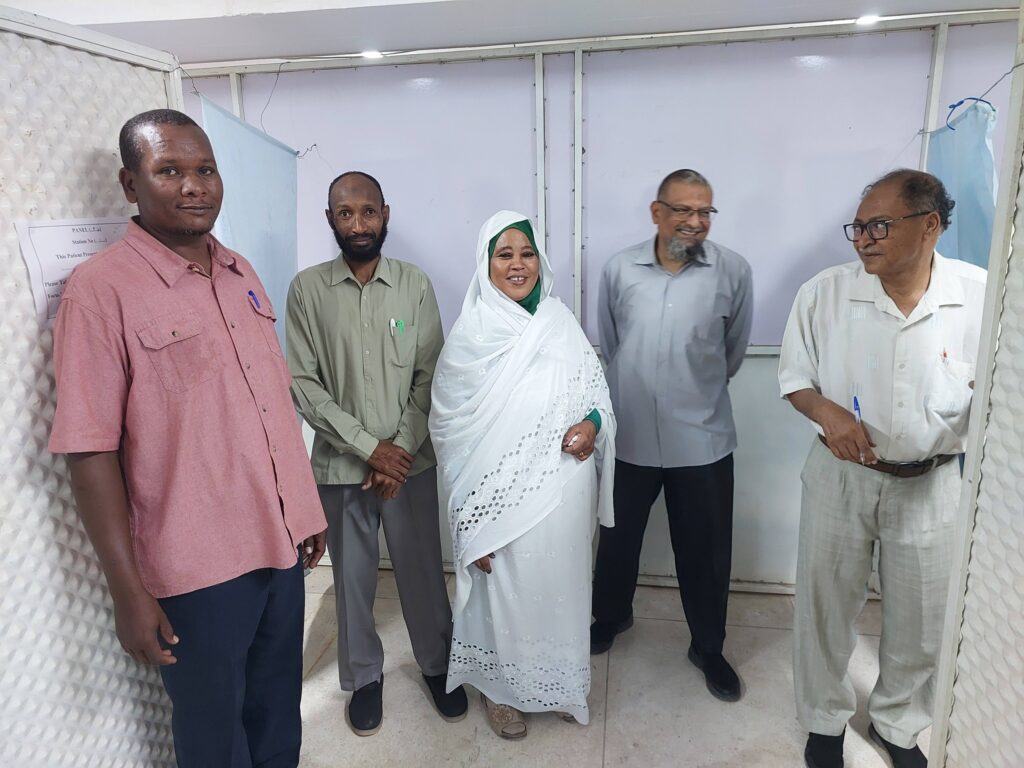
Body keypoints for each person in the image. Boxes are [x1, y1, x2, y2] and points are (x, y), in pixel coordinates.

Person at [48, 109, 327, 767]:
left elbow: (270, 404)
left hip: (280, 544)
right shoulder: (100, 291)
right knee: (213, 734)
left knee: (277, 713)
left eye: (205, 169)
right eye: (169, 170)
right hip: (197, 570)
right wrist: (127, 591)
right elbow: (89, 449)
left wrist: (304, 509)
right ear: (130, 183)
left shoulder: (240, 271)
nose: (194, 185)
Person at [779, 169, 986, 768]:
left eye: (879, 226)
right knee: (825, 607)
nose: (863, 239)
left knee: (921, 618)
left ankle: (898, 723)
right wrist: (827, 412)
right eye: (859, 227)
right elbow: (795, 378)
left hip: (932, 482)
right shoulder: (824, 293)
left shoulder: (980, 296)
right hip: (840, 476)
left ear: (930, 226)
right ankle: (824, 720)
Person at [286, 171, 466, 736]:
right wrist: (370, 449)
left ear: (385, 214)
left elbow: (430, 374)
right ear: (331, 220)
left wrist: (399, 450)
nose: (358, 224)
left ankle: (437, 665)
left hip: (409, 466)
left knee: (422, 571)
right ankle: (364, 677)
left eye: (368, 211)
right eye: (346, 213)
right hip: (342, 467)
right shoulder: (307, 290)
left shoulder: (414, 284)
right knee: (352, 580)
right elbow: (303, 384)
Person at [430, 211, 616, 738]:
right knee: (505, 594)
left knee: (560, 589)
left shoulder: (560, 321)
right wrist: (470, 521)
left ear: (541, 260)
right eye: (504, 254)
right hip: (500, 499)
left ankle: (558, 682)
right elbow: (450, 430)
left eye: (527, 253)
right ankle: (501, 692)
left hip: (563, 490)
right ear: (485, 263)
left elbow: (597, 394)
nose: (518, 264)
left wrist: (592, 424)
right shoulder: (470, 336)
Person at [590, 169, 753, 703]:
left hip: (702, 440)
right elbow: (611, 345)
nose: (695, 221)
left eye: (705, 211)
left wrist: (692, 391)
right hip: (631, 435)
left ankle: (708, 647)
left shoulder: (733, 271)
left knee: (705, 553)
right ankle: (610, 617)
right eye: (683, 209)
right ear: (657, 213)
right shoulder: (619, 270)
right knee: (617, 541)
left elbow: (731, 353)